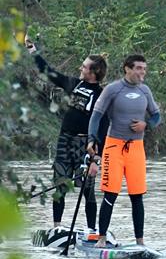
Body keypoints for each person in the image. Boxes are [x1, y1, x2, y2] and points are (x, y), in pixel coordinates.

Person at [26, 37, 108, 236]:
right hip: (65, 141)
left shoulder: (102, 95)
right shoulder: (73, 83)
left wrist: (97, 157)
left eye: (84, 66)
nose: (81, 68)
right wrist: (33, 51)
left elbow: (103, 127)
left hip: (86, 145)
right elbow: (49, 72)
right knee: (60, 186)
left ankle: (91, 231)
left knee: (87, 190)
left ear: (94, 72)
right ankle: (57, 227)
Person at [87, 54, 161, 248]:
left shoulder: (145, 91)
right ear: (127, 69)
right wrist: (92, 139)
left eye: (144, 69)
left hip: (136, 149)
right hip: (114, 147)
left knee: (137, 195)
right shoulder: (113, 89)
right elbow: (96, 116)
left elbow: (156, 116)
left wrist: (146, 124)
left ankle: (140, 242)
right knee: (110, 194)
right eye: (138, 68)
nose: (142, 72)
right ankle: (101, 239)